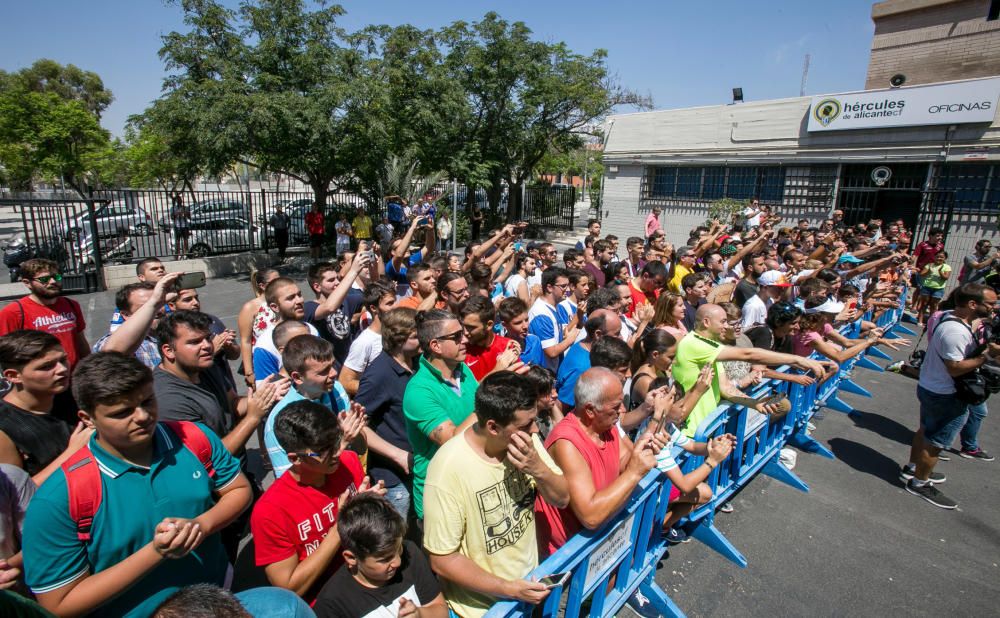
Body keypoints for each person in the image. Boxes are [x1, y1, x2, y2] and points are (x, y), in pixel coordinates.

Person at [22, 352, 252, 617]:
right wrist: (156, 552)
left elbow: (238, 489)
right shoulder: (59, 499)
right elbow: (58, 604)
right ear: (87, 419)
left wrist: (203, 525)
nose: (142, 416)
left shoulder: (193, 438)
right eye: (122, 412)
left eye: (147, 401)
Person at [422, 372, 568, 617]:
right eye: (524, 425)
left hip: (527, 592)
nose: (534, 429)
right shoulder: (448, 469)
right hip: (483, 610)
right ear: (492, 426)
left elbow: (562, 498)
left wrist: (538, 469)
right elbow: (442, 559)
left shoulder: (525, 443)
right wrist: (508, 589)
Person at [251, 400, 385, 605]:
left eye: (337, 440)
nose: (338, 452)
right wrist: (339, 527)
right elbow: (290, 588)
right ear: (295, 458)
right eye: (324, 450)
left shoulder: (348, 462)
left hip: (370, 584)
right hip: (326, 605)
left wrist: (371, 507)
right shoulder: (270, 511)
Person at [535, 367, 663, 556]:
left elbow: (624, 465)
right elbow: (591, 516)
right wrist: (634, 473)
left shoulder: (606, 427)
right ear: (590, 410)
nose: (622, 410)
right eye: (616, 406)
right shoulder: (567, 444)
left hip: (600, 542)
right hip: (571, 556)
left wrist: (643, 449)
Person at [902, 283, 999, 509]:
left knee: (925, 430)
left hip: (932, 385)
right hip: (944, 392)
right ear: (972, 304)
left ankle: (913, 467)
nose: (994, 308)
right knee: (934, 442)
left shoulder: (948, 316)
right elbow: (954, 367)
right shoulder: (954, 330)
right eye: (990, 304)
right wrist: (986, 356)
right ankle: (919, 482)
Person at [672, 304, 826, 437]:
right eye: (723, 321)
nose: (727, 326)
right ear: (706, 322)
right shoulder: (694, 344)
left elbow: (725, 388)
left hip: (707, 426)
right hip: (691, 431)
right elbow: (748, 354)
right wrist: (796, 359)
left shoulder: (710, 347)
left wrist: (754, 403)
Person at [155, 311, 288, 459]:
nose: (206, 345)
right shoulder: (168, 399)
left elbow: (232, 405)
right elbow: (211, 457)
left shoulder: (204, 366)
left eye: (207, 338)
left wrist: (263, 396)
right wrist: (253, 417)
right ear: (169, 351)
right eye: (194, 342)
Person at [314, 494, 447, 618]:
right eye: (385, 559)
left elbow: (440, 609)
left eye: (399, 549)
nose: (398, 562)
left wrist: (420, 614)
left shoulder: (410, 552)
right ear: (351, 558)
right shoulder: (332, 603)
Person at [402, 310, 479, 522]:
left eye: (463, 333)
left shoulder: (462, 369)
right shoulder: (419, 391)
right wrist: (489, 398)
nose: (465, 339)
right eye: (456, 336)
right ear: (435, 346)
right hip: (440, 500)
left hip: (470, 486)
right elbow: (452, 440)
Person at [0, 331, 91, 486]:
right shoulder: (5, 427)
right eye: (46, 367)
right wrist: (73, 452)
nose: (62, 369)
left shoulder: (75, 395)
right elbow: (18, 498)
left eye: (63, 360)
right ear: (13, 376)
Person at [355, 308, 419, 519]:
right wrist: (397, 455)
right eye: (416, 336)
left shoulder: (416, 363)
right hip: (393, 477)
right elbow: (357, 424)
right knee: (396, 536)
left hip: (417, 466)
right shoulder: (378, 375)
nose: (423, 340)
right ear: (398, 339)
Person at [263, 334, 353, 477]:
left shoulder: (336, 389)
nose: (334, 373)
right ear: (297, 378)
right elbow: (288, 479)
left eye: (333, 365)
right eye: (323, 371)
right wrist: (342, 440)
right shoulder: (280, 421)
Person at [0, 259, 89, 373]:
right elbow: (5, 353)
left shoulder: (71, 305)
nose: (52, 281)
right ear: (27, 282)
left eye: (56, 277)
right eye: (44, 279)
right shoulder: (12, 312)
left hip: (73, 378)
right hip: (40, 384)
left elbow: (81, 342)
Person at [93, 273, 184, 368]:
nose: (158, 310)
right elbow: (109, 357)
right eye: (147, 306)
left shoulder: (174, 333)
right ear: (126, 315)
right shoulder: (116, 342)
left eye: (160, 304)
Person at [168, 287, 241, 390]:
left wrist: (228, 346)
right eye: (188, 300)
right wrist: (213, 349)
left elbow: (235, 355)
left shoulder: (212, 321)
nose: (195, 303)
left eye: (196, 298)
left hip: (225, 388)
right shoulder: (170, 329)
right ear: (172, 305)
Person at [304, 256, 370, 365]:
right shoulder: (309, 308)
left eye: (337, 279)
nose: (337, 283)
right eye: (331, 280)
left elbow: (373, 292)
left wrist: (375, 263)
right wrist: (353, 271)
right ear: (317, 287)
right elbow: (329, 307)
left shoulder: (346, 301)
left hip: (348, 365)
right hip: (328, 367)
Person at [253, 278, 320, 386]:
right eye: (290, 298)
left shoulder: (311, 329)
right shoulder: (265, 345)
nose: (299, 301)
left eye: (299, 294)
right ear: (275, 307)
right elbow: (267, 391)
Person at [339, 281, 398, 396]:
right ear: (373, 308)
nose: (396, 307)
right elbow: (345, 381)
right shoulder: (364, 342)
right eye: (390, 303)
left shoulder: (397, 333)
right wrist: (382, 389)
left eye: (395, 301)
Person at [555, 310, 621, 408]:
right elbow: (562, 406)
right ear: (598, 334)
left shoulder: (584, 346)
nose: (621, 338)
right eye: (617, 334)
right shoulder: (582, 368)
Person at [528, 267, 580, 372]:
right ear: (549, 287)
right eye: (563, 286)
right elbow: (551, 352)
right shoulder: (541, 314)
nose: (568, 289)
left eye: (568, 285)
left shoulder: (553, 307)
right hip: (545, 374)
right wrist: (571, 339)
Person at [460, 296, 523, 381]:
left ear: (489, 325)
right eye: (463, 326)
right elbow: (467, 393)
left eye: (471, 327)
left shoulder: (507, 348)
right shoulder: (460, 351)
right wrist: (497, 371)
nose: (465, 332)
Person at [238, 268, 281, 388]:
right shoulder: (250, 307)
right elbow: (245, 341)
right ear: (262, 286)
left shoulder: (282, 302)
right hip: (262, 362)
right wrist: (249, 372)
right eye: (275, 281)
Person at [109, 258, 169, 332]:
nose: (160, 270)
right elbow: (114, 330)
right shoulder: (132, 299)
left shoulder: (173, 294)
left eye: (162, 268)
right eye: (154, 269)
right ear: (142, 277)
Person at [498, 297, 546, 367]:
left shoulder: (535, 341)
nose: (525, 326)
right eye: (518, 323)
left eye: (526, 320)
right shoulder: (501, 351)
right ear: (505, 325)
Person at [916, 251, 952, 326]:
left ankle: (931, 322)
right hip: (927, 287)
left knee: (934, 305)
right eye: (937, 256)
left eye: (941, 257)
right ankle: (920, 320)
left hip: (938, 288)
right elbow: (922, 274)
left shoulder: (947, 267)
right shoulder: (929, 265)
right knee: (924, 304)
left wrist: (940, 271)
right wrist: (928, 271)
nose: (939, 258)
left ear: (945, 258)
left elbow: (946, 277)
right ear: (934, 257)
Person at [171, 195, 191, 260]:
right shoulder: (173, 208)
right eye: (178, 200)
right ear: (176, 201)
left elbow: (189, 217)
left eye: (180, 200)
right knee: (177, 241)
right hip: (177, 226)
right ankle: (178, 254)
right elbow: (172, 217)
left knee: (185, 240)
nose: (179, 201)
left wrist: (186, 213)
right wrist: (177, 213)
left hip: (185, 226)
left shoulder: (185, 207)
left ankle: (186, 253)